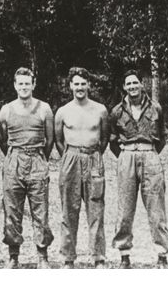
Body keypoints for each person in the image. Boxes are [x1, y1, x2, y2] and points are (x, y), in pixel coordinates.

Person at [109, 70, 168, 269]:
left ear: (142, 84)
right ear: (124, 87)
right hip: (126, 156)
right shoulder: (117, 111)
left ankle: (162, 254)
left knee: (156, 208)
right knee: (125, 208)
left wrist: (149, 153)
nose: (132, 87)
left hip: (150, 156)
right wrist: (127, 156)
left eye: (135, 83)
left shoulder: (155, 108)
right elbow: (112, 141)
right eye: (128, 84)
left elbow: (162, 136)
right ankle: (124, 254)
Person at [0, 67, 54, 269]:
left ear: (33, 84)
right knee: (12, 211)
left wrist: (38, 158)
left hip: (37, 159)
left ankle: (42, 255)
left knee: (41, 210)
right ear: (15, 85)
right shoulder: (6, 109)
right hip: (14, 160)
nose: (24, 87)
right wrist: (15, 157)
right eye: (20, 83)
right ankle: (13, 255)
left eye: (27, 83)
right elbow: (3, 141)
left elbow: (50, 140)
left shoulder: (44, 108)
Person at [54, 67, 108, 269]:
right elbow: (58, 141)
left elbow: (104, 139)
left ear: (89, 85)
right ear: (70, 86)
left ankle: (98, 257)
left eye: (83, 83)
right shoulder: (63, 111)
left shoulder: (100, 109)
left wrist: (92, 155)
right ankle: (68, 257)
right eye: (76, 83)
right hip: (71, 159)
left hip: (93, 158)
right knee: (69, 209)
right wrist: (71, 157)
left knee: (96, 209)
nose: (80, 87)